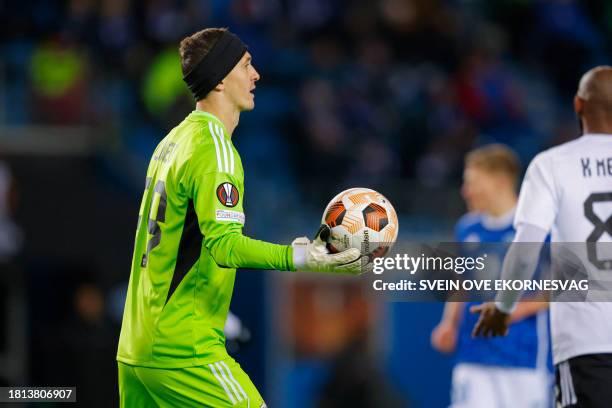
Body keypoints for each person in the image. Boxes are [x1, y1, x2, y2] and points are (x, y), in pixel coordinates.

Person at [116, 28, 363, 408]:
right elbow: (224, 246)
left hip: (136, 347)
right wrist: (303, 256)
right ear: (218, 79)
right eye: (246, 65)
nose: (256, 75)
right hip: (184, 351)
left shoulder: (171, 142)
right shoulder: (215, 150)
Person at [472, 66, 612, 408]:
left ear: (578, 105)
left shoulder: (552, 165)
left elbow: (525, 252)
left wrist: (504, 308)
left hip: (589, 342)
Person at [431, 145, 550, 408]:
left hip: (523, 358)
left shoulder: (537, 227)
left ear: (500, 181)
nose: (466, 191)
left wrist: (509, 312)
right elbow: (459, 284)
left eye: (473, 182)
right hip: (472, 356)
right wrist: (449, 324)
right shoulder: (467, 228)